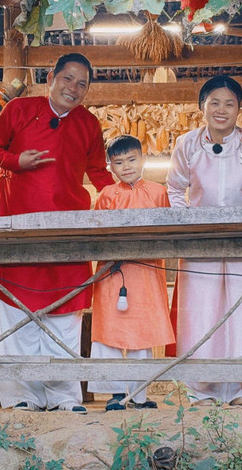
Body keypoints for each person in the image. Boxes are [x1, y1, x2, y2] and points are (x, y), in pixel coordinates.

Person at [0, 52, 114, 413]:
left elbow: (98, 172)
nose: (74, 88)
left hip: (67, 229)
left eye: (82, 84)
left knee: (65, 316)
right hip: (17, 227)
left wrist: (125, 195)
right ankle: (21, 396)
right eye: (68, 79)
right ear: (51, 78)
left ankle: (63, 396)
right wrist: (16, 161)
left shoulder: (88, 124)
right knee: (17, 313)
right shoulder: (19, 110)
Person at [166, 75, 242, 406]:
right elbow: (175, 189)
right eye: (214, 102)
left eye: (230, 103)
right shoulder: (187, 144)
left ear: (239, 109)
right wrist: (188, 225)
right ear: (202, 106)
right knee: (202, 313)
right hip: (201, 243)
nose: (221, 109)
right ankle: (202, 390)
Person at [88, 135, 175, 411]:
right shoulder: (106, 195)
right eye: (118, 162)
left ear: (143, 159)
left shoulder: (159, 192)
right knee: (110, 331)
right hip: (112, 274)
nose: (126, 167)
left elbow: (168, 231)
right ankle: (115, 393)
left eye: (131, 159)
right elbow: (98, 233)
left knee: (142, 331)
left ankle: (138, 395)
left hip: (146, 273)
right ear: (110, 166)